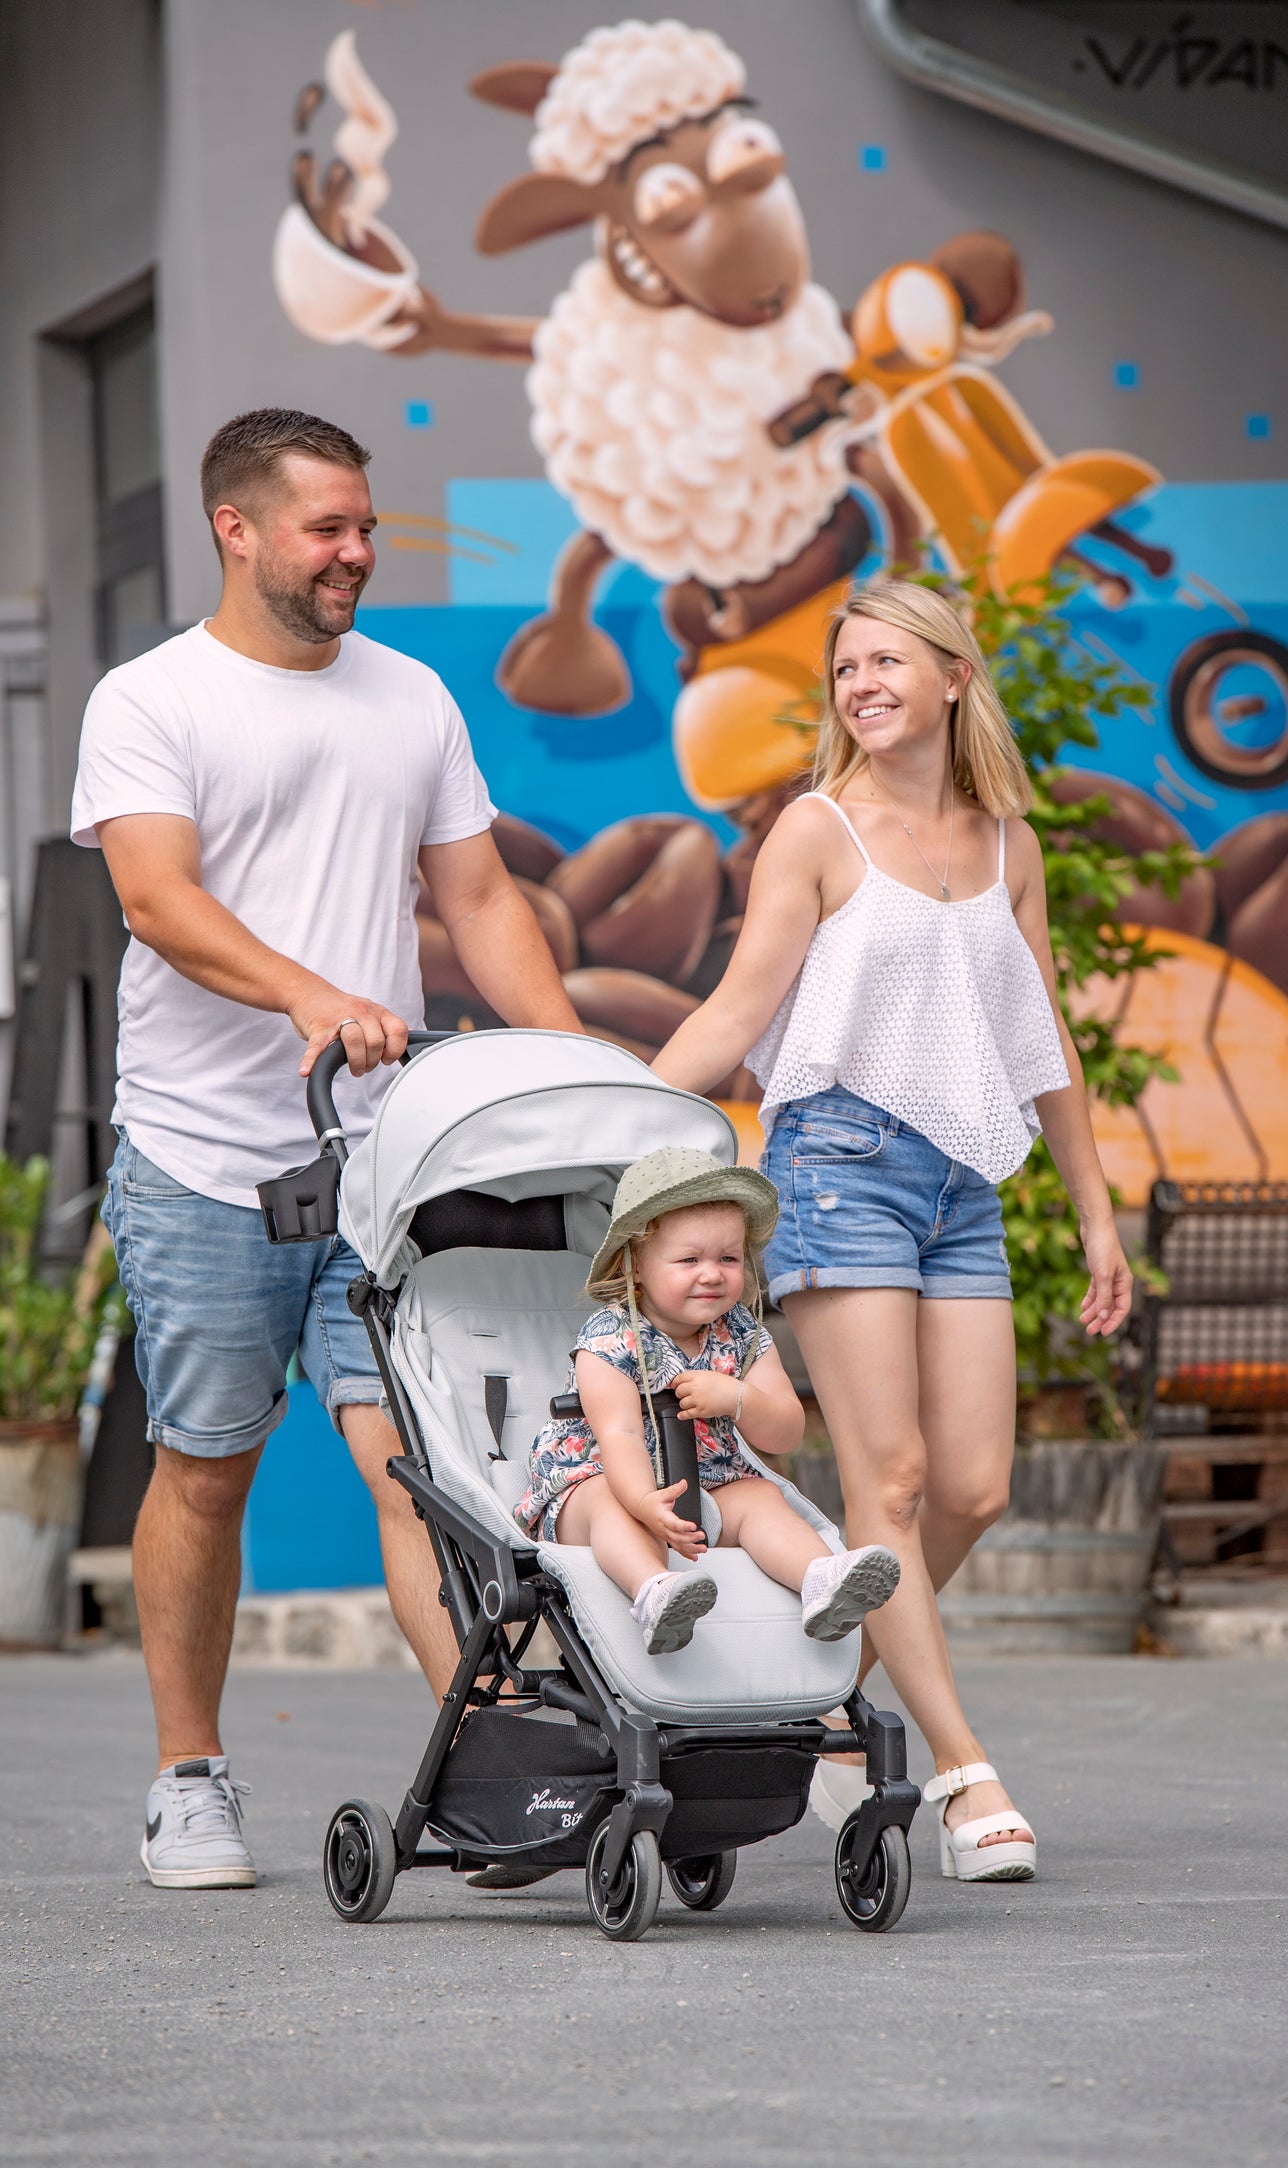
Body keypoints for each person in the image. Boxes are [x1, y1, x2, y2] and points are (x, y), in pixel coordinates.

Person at [71, 408, 582, 1890]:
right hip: (203, 1156)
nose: (359, 552)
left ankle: (490, 1771)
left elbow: (480, 902)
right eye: (330, 529)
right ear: (239, 530)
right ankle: (189, 1778)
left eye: (367, 526)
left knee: (422, 1471)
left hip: (381, 1166)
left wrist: (562, 1063)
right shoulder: (151, 699)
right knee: (208, 1473)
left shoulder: (410, 696)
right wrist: (311, 992)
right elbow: (157, 901)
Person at [652, 576, 1133, 1885]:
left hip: (962, 1184)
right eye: (845, 667)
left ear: (952, 677)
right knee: (896, 1487)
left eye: (886, 662)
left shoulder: (1005, 841)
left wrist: (1095, 1210)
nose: (861, 685)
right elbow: (738, 1009)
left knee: (973, 1485)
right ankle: (963, 1770)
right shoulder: (815, 831)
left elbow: (1044, 1048)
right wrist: (623, 1110)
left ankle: (811, 1703)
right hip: (838, 1161)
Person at [515, 1147, 900, 1652]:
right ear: (635, 1266)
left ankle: (820, 1580)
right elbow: (619, 1436)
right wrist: (644, 1503)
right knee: (611, 1502)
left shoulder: (740, 1333)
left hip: (707, 1483)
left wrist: (739, 1396)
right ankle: (654, 1591)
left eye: (728, 1258)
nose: (713, 1274)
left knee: (762, 1497)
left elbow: (785, 1430)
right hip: (599, 1482)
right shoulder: (610, 1339)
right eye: (689, 1259)